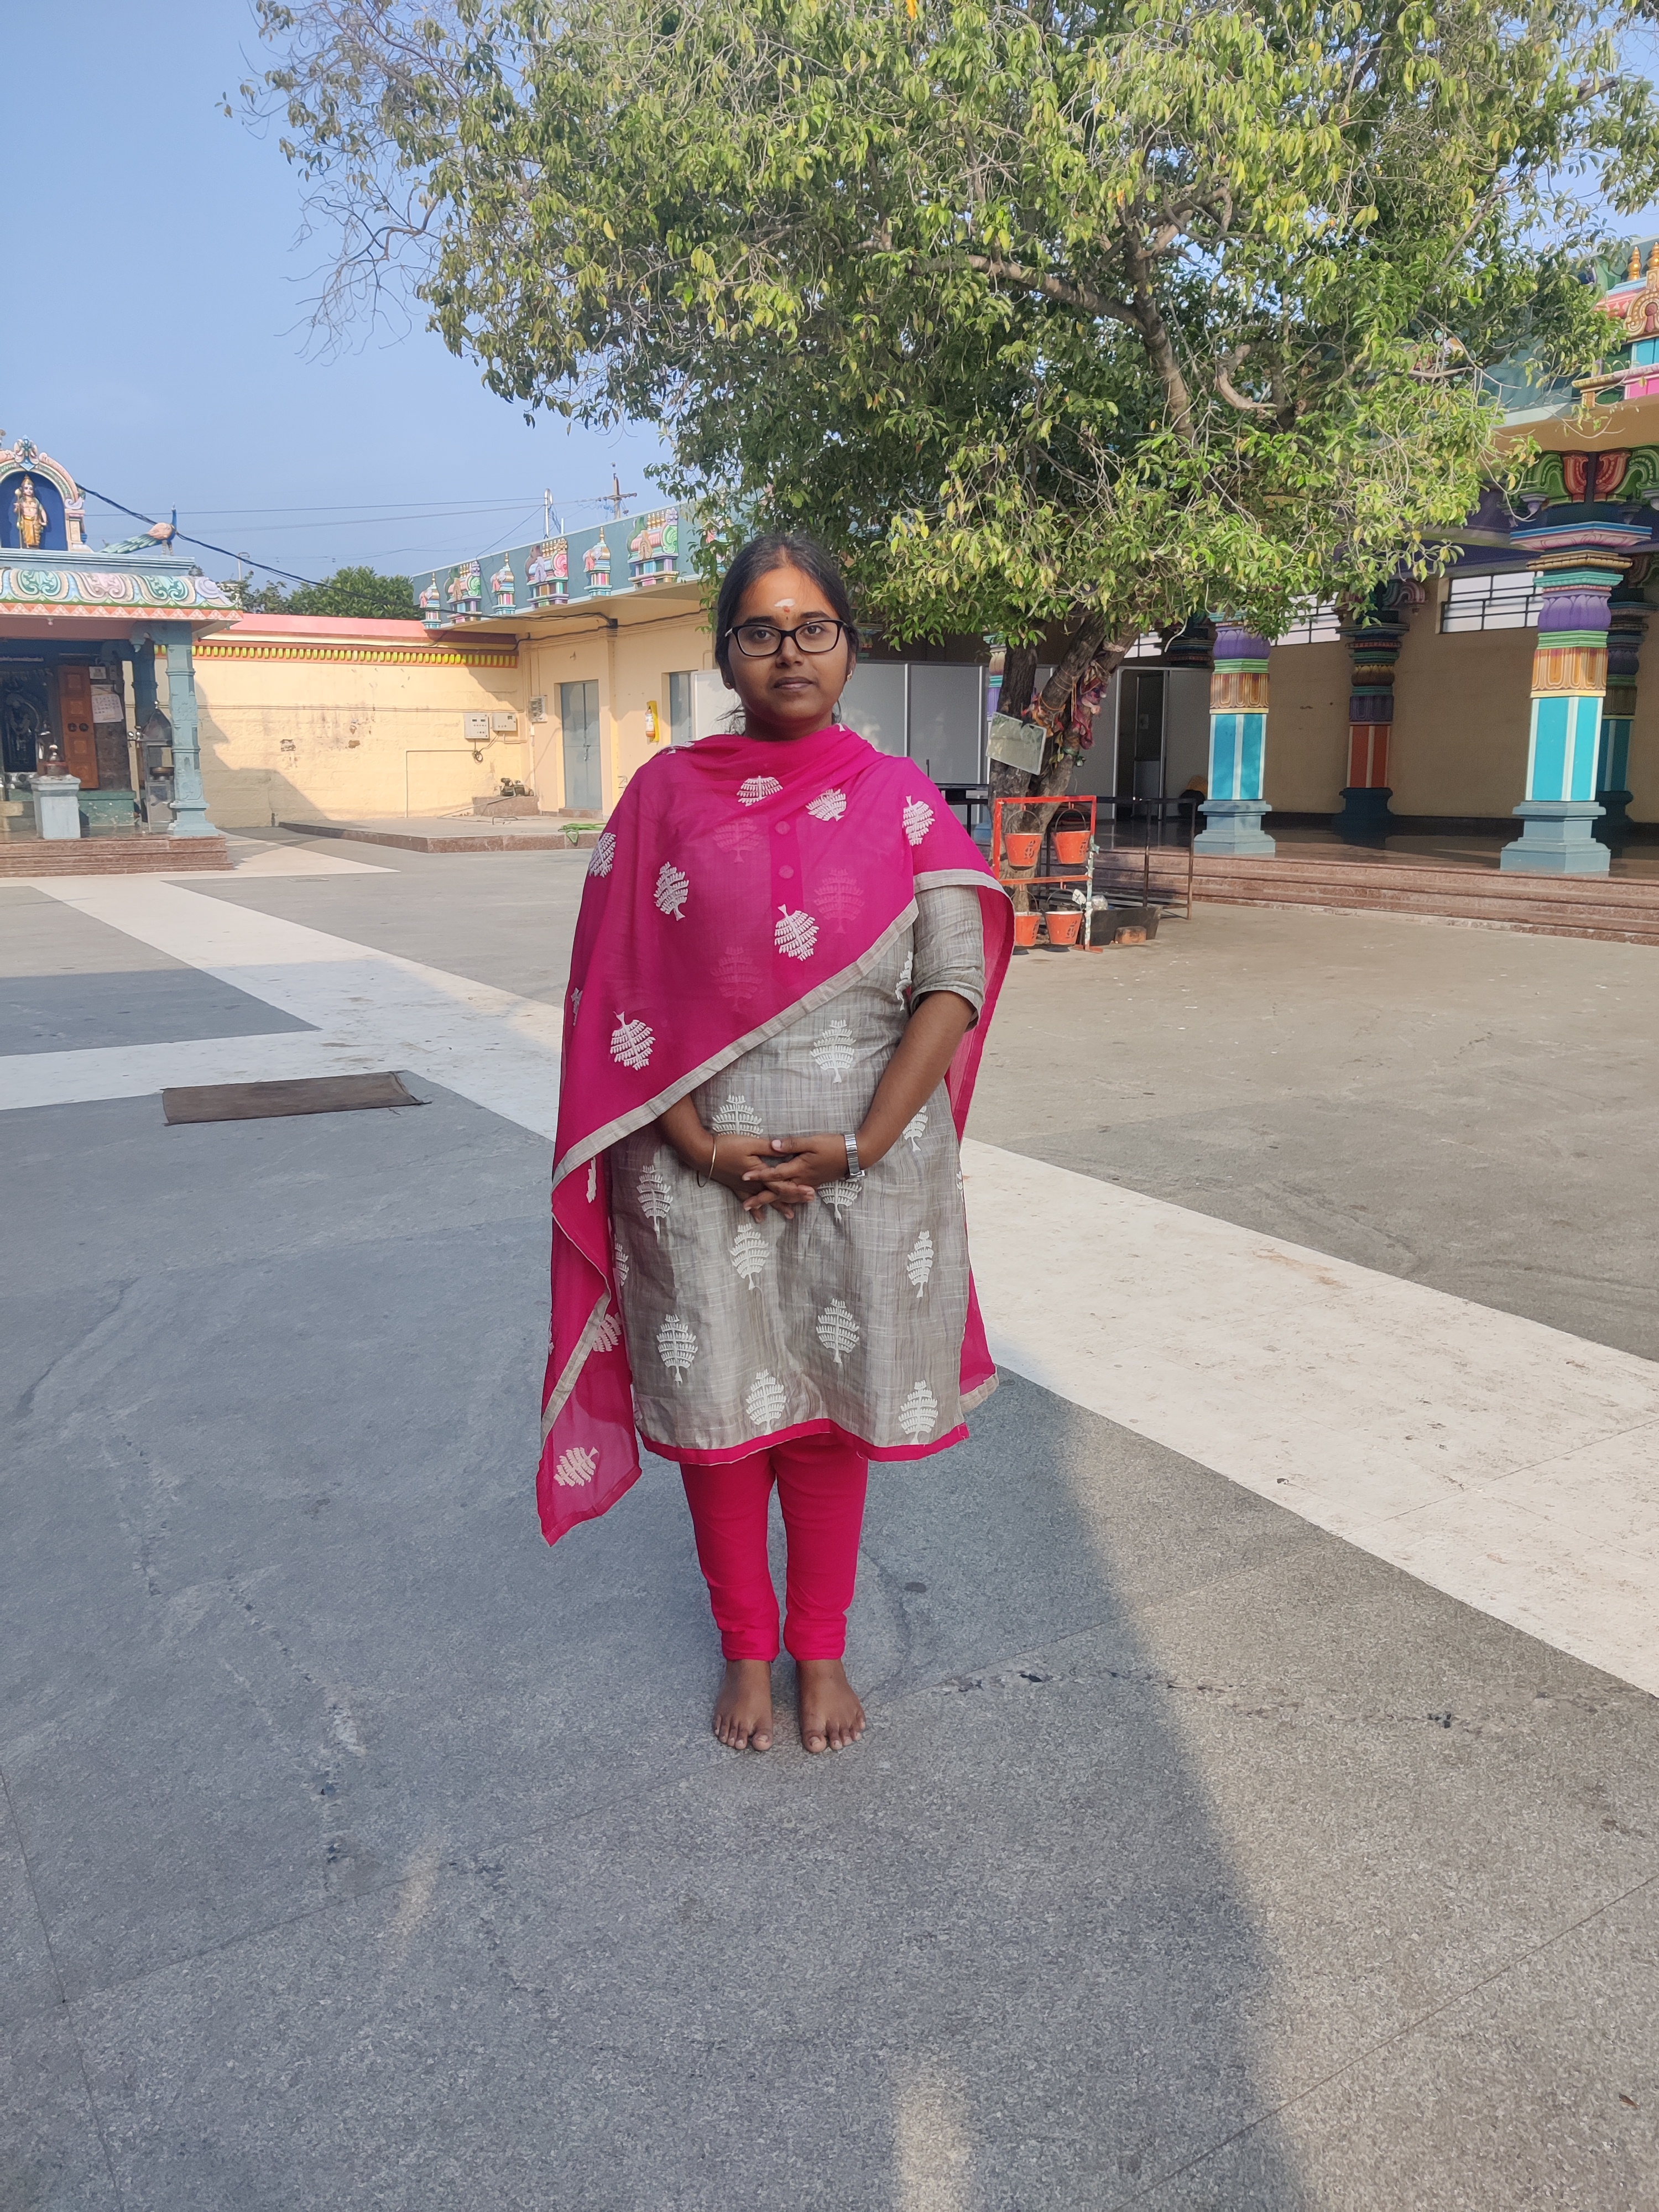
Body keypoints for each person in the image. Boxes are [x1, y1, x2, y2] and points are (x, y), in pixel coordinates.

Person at [538, 533, 1011, 1754]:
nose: (789, 652)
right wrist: (699, 1145)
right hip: (694, 1160)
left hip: (866, 1160)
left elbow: (951, 980)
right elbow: (617, 989)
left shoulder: (902, 797)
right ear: (725, 656)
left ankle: (823, 1649)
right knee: (719, 1416)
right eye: (761, 630)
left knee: (825, 1420)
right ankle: (747, 1649)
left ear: (849, 646)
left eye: (813, 628)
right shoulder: (663, 798)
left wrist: (861, 1143)